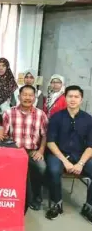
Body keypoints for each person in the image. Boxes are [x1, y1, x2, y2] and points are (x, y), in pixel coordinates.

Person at [45, 85, 92, 222]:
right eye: (70, 96)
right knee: (53, 170)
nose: (73, 99)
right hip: (58, 154)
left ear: (81, 99)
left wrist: (80, 163)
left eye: (76, 96)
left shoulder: (89, 119)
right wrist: (65, 161)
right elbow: (50, 142)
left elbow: (90, 146)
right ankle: (56, 203)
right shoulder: (56, 117)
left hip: (80, 155)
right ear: (65, 98)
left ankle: (88, 206)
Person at [3, 85, 48, 210]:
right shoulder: (9, 113)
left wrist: (40, 151)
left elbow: (45, 135)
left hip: (32, 151)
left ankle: (36, 197)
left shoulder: (41, 114)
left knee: (41, 167)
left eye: (30, 95)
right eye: (24, 94)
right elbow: (3, 135)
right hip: (13, 151)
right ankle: (10, 198)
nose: (27, 97)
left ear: (34, 98)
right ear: (19, 97)